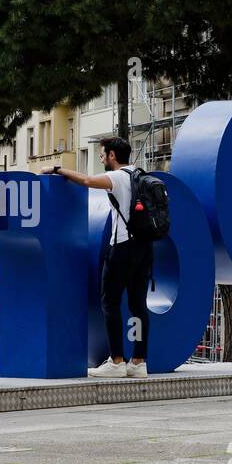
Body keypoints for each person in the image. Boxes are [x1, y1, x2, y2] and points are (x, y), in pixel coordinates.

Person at [52, 137, 151, 378]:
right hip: (145, 248)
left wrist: (57, 170)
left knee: (110, 303)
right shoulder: (139, 174)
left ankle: (116, 360)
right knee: (138, 305)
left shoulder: (118, 177)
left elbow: (86, 181)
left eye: (102, 154)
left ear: (113, 156)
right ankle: (138, 361)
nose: (101, 158)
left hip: (123, 246)